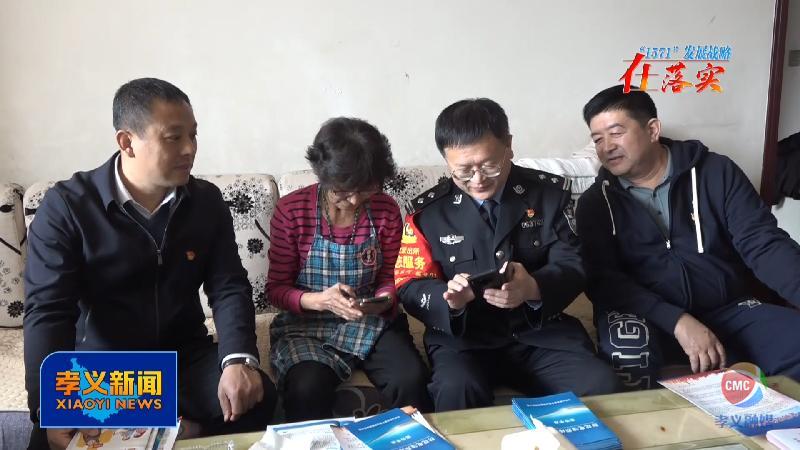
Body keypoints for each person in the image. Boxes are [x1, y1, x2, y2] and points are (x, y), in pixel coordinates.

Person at [23, 78, 276, 449]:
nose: (190, 149)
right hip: (105, 374)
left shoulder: (205, 202)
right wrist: (49, 408)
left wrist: (239, 360)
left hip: (182, 361)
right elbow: (48, 311)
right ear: (127, 142)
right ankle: (172, 430)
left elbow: (229, 285)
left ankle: (174, 432)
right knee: (50, 438)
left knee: (253, 396)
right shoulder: (67, 207)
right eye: (173, 137)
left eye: (193, 135)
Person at [395, 98, 620, 412]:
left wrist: (534, 287)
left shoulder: (549, 195)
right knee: (456, 392)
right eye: (463, 171)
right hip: (465, 342)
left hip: (541, 333)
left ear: (509, 146)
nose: (478, 179)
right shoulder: (428, 213)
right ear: (447, 161)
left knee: (601, 386)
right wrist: (449, 301)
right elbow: (409, 283)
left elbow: (574, 262)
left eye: (489, 165)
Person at [577, 85, 800, 390]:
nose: (607, 147)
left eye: (616, 133)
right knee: (628, 356)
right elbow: (604, 281)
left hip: (728, 308)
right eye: (598, 139)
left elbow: (763, 243)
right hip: (646, 316)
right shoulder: (596, 203)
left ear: (652, 129)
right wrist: (677, 320)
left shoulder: (716, 172)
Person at [267, 117, 432, 421]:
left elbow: (390, 277)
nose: (355, 200)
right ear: (323, 176)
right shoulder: (292, 211)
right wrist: (320, 300)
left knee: (409, 378)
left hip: (370, 321)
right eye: (343, 191)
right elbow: (276, 290)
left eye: (366, 189)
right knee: (306, 388)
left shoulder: (384, 209)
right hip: (307, 325)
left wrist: (381, 301)